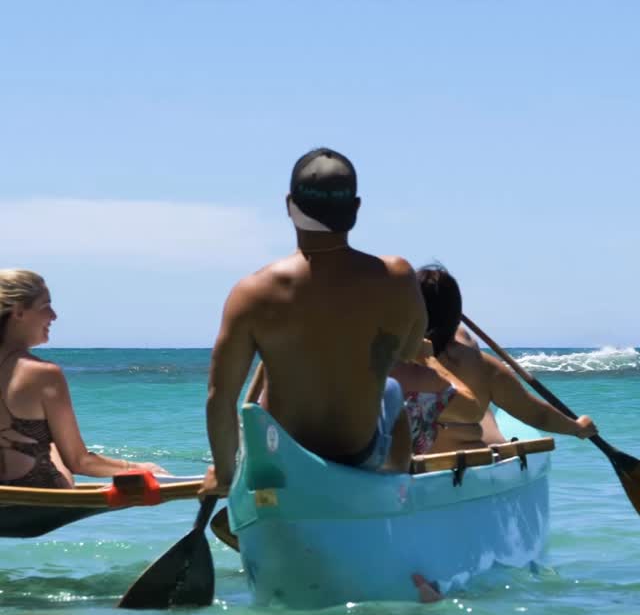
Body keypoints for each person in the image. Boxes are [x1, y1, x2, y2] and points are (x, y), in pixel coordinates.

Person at [202, 147, 427, 496]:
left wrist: (225, 476)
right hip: (359, 454)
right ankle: (391, 487)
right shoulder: (397, 276)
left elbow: (220, 398)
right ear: (355, 209)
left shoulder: (252, 293)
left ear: (289, 205)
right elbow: (410, 350)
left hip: (284, 455)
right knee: (393, 391)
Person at [0, 270, 168, 487]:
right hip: (38, 492)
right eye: (45, 306)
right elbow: (79, 462)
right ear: (19, 312)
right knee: (52, 444)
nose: (54, 315)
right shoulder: (43, 373)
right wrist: (136, 467)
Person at [409, 266, 597, 454]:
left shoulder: (394, 360)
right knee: (486, 417)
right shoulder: (479, 363)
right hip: (469, 460)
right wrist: (577, 428)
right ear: (456, 314)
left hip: (409, 465)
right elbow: (536, 414)